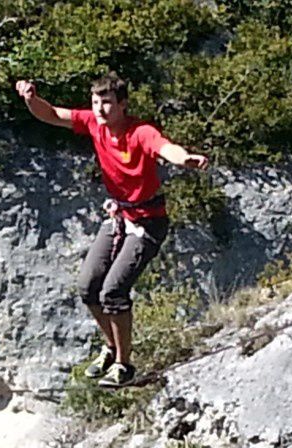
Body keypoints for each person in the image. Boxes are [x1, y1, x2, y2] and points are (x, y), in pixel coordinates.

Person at [15, 72, 209, 386]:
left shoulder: (139, 132)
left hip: (148, 221)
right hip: (120, 216)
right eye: (96, 103)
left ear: (122, 104)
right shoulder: (94, 123)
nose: (101, 110)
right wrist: (30, 99)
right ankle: (111, 346)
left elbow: (163, 147)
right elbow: (50, 115)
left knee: (113, 292)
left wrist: (184, 158)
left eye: (107, 103)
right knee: (88, 286)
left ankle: (124, 363)